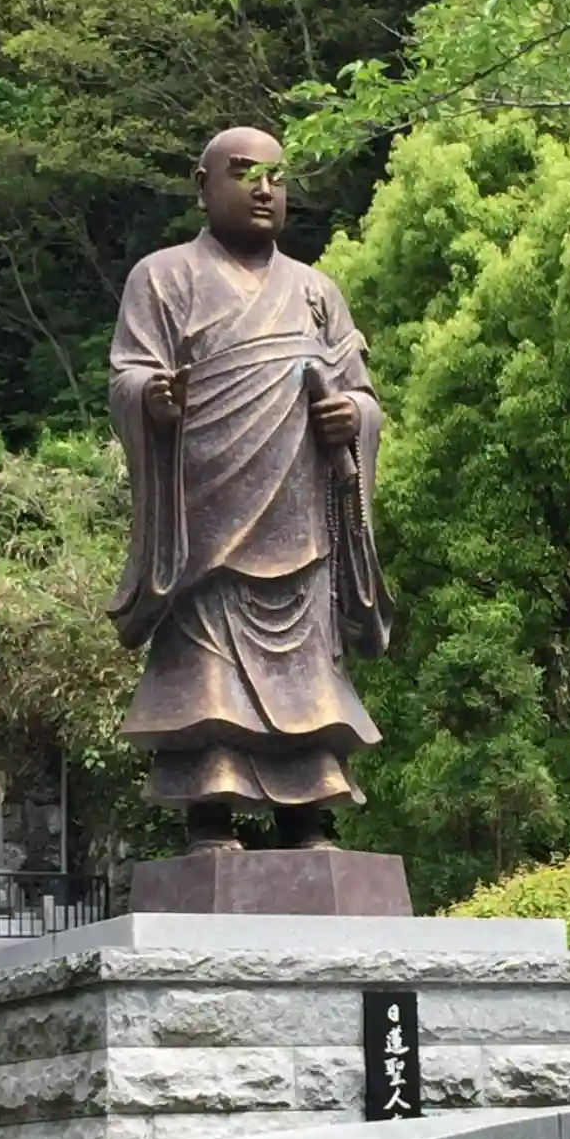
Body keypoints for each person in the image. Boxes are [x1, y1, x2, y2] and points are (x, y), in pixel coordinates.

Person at [107, 125, 392, 852]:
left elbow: (362, 394)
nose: (264, 189)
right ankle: (211, 813)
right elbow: (130, 374)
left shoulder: (317, 292)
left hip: (300, 512)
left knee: (306, 665)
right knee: (209, 667)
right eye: (243, 174)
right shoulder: (163, 277)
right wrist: (153, 400)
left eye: (277, 176)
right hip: (207, 513)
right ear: (202, 186)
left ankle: (308, 814)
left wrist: (351, 416)